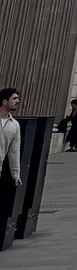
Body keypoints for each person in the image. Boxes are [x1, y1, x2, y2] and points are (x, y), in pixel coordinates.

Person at [0, 87, 22, 242]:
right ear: (4, 101)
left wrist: (16, 173)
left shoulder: (14, 125)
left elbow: (14, 151)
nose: (17, 101)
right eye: (14, 98)